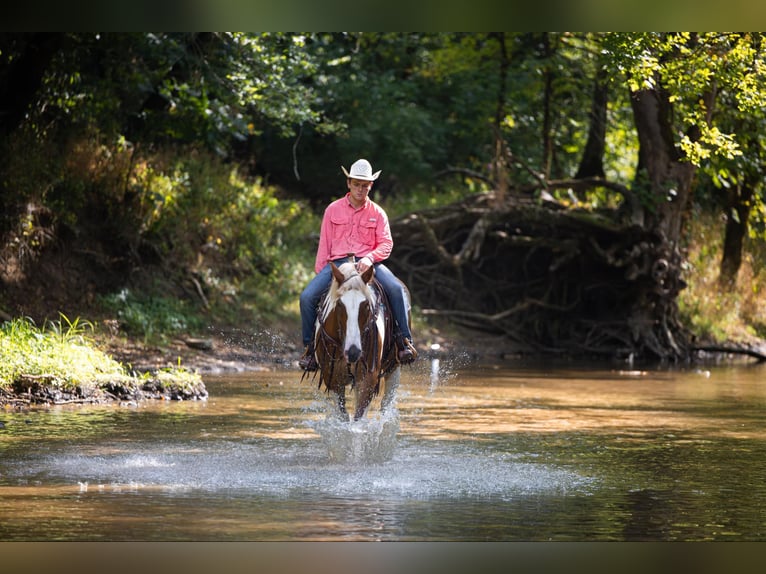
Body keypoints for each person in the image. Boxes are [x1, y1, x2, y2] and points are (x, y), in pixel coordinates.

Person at [298, 158, 417, 371]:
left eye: (365, 185)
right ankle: (310, 349)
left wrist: (370, 258)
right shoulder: (332, 210)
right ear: (348, 184)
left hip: (369, 264)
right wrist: (324, 274)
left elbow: (386, 243)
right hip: (338, 264)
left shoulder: (378, 213)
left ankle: (403, 341)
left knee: (396, 290)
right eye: (356, 184)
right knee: (307, 297)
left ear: (370, 186)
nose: (360, 189)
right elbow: (324, 246)